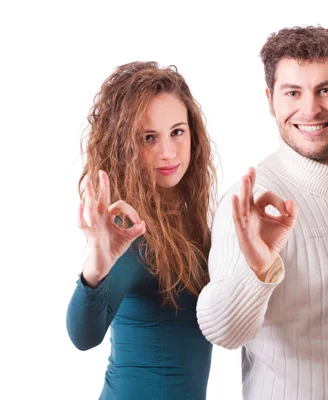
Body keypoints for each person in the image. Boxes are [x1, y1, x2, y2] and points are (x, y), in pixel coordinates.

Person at [196, 26, 328, 399]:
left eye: (325, 89)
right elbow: (223, 331)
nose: (310, 109)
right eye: (293, 93)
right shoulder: (252, 202)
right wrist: (257, 267)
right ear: (271, 100)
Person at [66, 61, 216, 400]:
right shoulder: (130, 231)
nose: (167, 152)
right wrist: (96, 270)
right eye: (149, 138)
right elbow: (83, 335)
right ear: (125, 147)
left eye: (177, 132)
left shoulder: (189, 217)